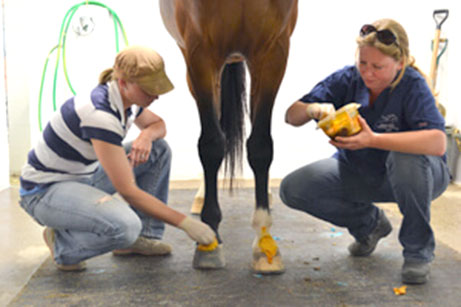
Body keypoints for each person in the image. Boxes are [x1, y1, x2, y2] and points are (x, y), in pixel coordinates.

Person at [279, 19, 450, 284]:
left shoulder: (413, 85)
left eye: (378, 67)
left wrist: (373, 140)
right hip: (361, 170)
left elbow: (437, 143)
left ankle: (418, 253)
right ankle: (370, 225)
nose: (368, 73)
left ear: (400, 63)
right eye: (363, 64)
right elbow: (291, 115)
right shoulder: (347, 78)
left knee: (404, 158)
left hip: (419, 176)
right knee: (294, 188)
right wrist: (312, 109)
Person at [19, 45, 215, 271]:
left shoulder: (126, 102)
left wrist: (146, 136)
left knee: (158, 149)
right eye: (149, 89)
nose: (157, 95)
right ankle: (64, 246)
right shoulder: (99, 115)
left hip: (83, 176)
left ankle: (144, 237)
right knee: (126, 226)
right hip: (44, 191)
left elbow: (158, 125)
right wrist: (186, 223)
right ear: (124, 83)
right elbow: (128, 191)